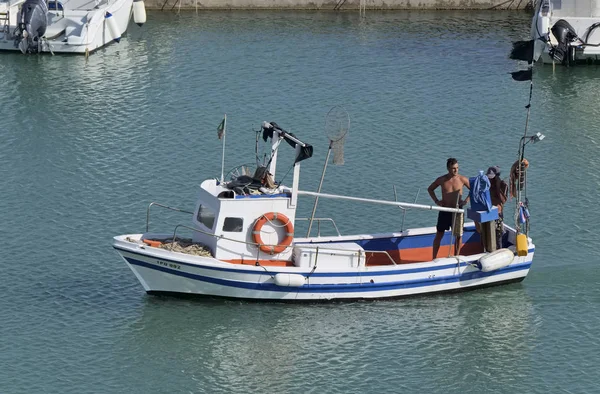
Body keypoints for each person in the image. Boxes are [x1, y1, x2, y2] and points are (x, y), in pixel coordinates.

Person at [428, 158, 470, 259]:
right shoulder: (442, 179)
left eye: (457, 168)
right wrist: (437, 201)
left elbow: (473, 190)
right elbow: (430, 189)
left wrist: (466, 201)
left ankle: (456, 256)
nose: (456, 170)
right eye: (453, 168)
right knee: (439, 234)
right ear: (448, 168)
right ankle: (434, 257)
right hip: (445, 210)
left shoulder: (462, 179)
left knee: (458, 235)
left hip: (457, 210)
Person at [486, 166, 509, 249]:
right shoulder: (487, 184)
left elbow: (503, 200)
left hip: (497, 213)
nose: (490, 180)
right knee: (487, 234)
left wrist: (498, 186)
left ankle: (499, 249)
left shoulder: (503, 185)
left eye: (492, 178)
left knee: (498, 234)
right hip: (488, 212)